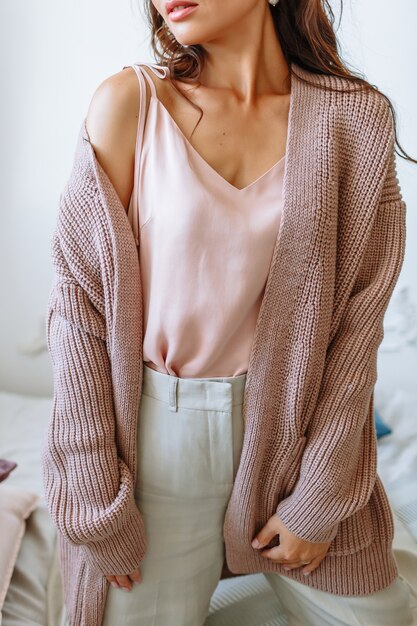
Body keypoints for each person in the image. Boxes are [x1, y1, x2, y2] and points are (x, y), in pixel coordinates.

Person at [43, 1, 417, 625]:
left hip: (299, 448)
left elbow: (356, 331)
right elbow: (77, 307)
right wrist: (89, 498)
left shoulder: (356, 120)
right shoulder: (129, 103)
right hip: (154, 452)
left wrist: (321, 500)